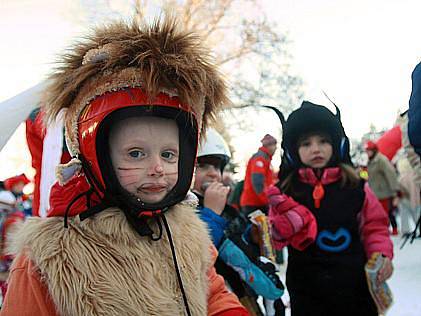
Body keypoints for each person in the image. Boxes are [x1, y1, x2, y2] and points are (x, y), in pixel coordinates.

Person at [1, 18, 249, 316]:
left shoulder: (187, 234)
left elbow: (215, 296)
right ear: (96, 157)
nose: (157, 168)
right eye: (135, 153)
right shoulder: (48, 258)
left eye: (169, 155)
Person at [267, 101, 393, 316]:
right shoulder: (285, 192)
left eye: (323, 141)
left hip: (354, 285)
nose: (316, 148)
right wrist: (281, 228)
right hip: (307, 288)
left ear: (338, 145)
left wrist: (381, 255)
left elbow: (375, 227)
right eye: (306, 144)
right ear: (293, 151)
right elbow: (273, 238)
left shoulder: (355, 186)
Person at [192, 128, 284, 316]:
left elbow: (235, 234)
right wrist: (211, 213)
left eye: (217, 167)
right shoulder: (186, 210)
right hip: (212, 297)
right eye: (202, 166)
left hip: (240, 292)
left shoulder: (224, 208)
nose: (213, 174)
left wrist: (252, 234)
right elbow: (197, 250)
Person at [26, 107, 71, 217]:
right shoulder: (35, 117)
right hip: (67, 198)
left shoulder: (35, 116)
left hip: (71, 198)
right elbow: (39, 167)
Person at [365, 140, 400, 235]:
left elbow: (391, 175)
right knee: (379, 213)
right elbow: (368, 176)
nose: (367, 153)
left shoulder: (381, 160)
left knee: (387, 212)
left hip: (384, 192)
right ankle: (385, 229)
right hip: (375, 192)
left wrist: (395, 192)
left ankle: (394, 229)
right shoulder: (370, 161)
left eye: (369, 151)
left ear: (374, 150)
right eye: (366, 151)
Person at [240, 134, 277, 215]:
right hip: (253, 203)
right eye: (273, 145)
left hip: (258, 203)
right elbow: (257, 182)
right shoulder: (259, 158)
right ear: (268, 146)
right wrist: (267, 201)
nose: (275, 148)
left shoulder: (266, 160)